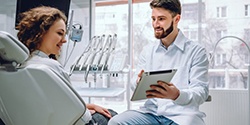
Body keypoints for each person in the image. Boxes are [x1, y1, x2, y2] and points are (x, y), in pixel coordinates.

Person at [108, 0, 209, 125]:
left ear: (176, 19)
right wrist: (139, 82)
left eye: (161, 19)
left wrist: (177, 95)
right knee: (116, 122)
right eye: (153, 19)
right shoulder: (148, 51)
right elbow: (133, 84)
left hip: (182, 115)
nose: (156, 24)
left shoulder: (196, 52)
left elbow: (201, 92)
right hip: (151, 113)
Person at [15, 6, 117, 125]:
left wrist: (89, 106)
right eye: (59, 33)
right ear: (40, 33)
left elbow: (52, 104)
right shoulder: (49, 67)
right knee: (113, 115)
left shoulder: (20, 65)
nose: (64, 40)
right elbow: (81, 117)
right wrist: (88, 111)